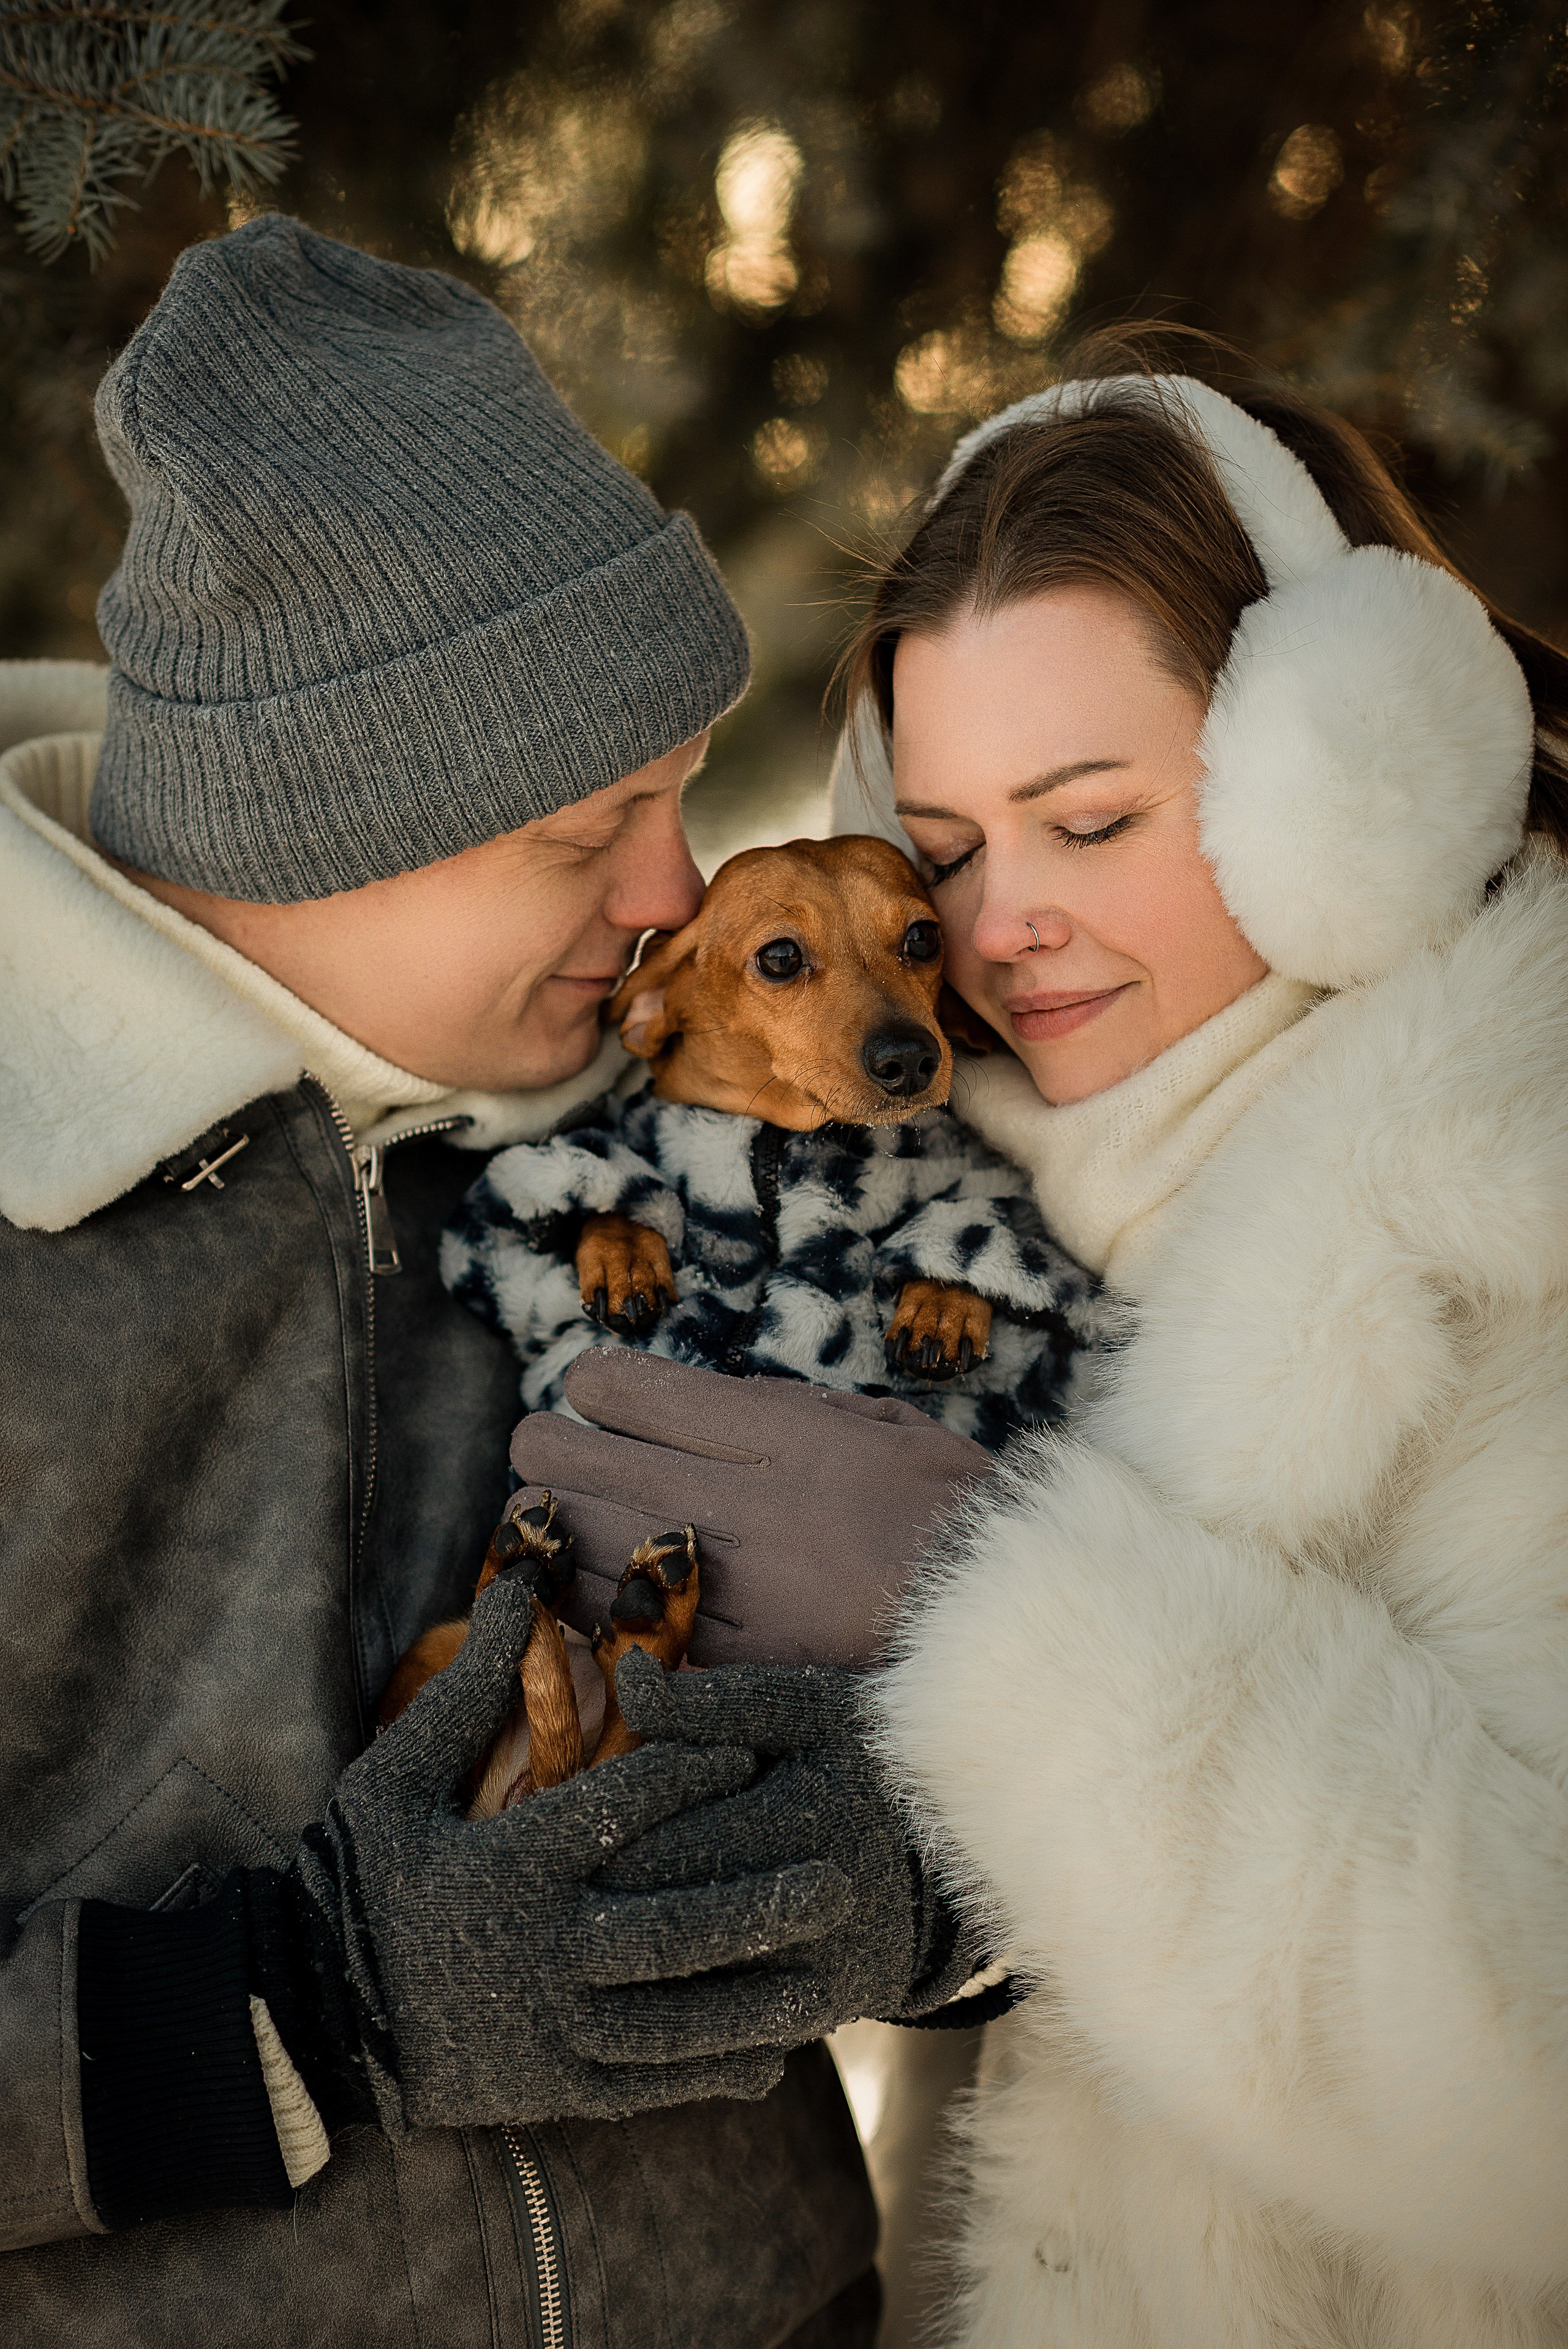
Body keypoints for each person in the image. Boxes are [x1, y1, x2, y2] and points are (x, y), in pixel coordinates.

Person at [518, 361, 1568, 2347]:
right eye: (943, 848)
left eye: (1089, 819)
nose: (1001, 934)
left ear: (1342, 786)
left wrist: (985, 1583)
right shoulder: (975, 1216)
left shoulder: (1523, 1210)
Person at [0, 212, 969, 2345]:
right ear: (322, 815)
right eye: (584, 829)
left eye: (683, 794)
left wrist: (936, 1864)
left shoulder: (674, 1127)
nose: (674, 893)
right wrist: (309, 2005)